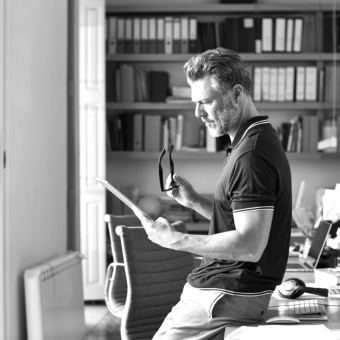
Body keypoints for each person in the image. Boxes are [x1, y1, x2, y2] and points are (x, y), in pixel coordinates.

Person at [133, 47, 292, 340]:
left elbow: (249, 245)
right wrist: (194, 201)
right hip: (225, 291)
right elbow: (239, 223)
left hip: (225, 293)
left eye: (206, 102)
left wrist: (176, 240)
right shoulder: (250, 141)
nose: (198, 113)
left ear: (236, 94)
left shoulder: (251, 156)